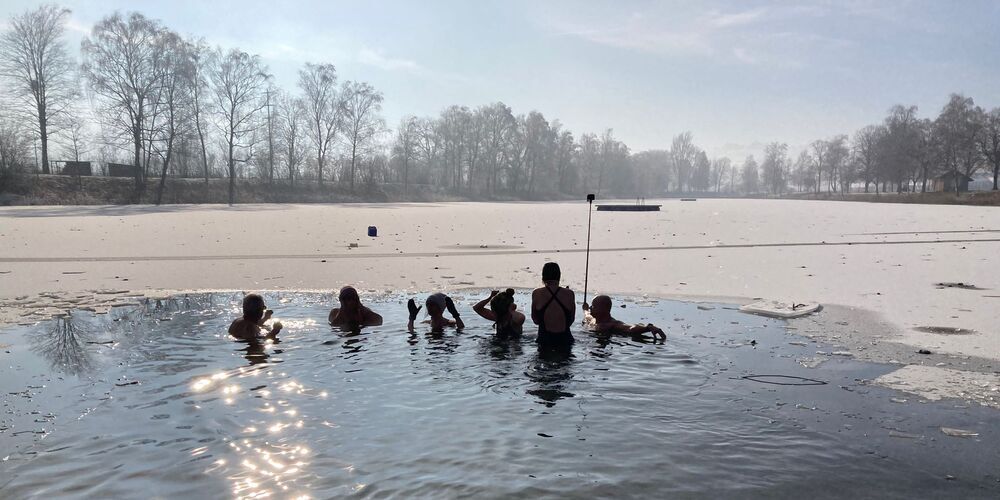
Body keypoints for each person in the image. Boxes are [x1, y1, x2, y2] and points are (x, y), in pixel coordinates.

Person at [530, 262, 576, 346]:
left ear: (543, 276)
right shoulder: (569, 294)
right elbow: (571, 320)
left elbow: (535, 320)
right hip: (565, 340)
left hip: (544, 340)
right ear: (559, 276)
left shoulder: (537, 293)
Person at [583, 295, 666, 340]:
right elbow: (587, 315)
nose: (590, 308)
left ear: (603, 309)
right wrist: (585, 309)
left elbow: (630, 328)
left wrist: (648, 328)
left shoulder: (612, 324)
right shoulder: (593, 320)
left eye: (593, 306)